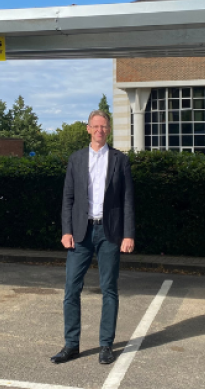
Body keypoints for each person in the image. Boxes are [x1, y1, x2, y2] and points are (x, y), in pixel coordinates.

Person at [50, 109, 135, 365]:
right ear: (88, 128)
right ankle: (71, 345)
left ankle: (106, 345)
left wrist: (128, 234)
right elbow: (68, 198)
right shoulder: (76, 159)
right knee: (71, 290)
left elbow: (127, 200)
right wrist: (66, 230)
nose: (100, 130)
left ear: (109, 130)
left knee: (109, 289)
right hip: (80, 232)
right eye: (95, 126)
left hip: (110, 233)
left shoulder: (120, 160)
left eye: (104, 127)